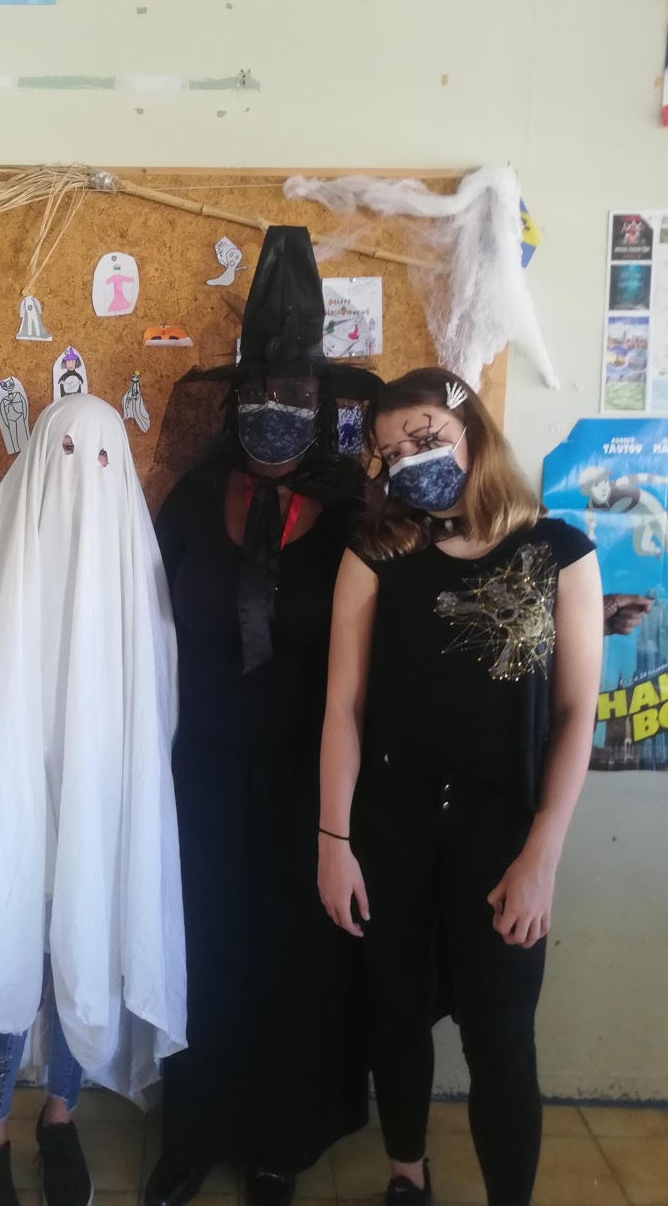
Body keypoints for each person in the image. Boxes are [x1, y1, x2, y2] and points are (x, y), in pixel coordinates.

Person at [318, 369, 603, 1206]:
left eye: (426, 436)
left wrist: (543, 856)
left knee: (502, 1039)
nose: (412, 459)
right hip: (392, 830)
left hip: (505, 837)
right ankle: (406, 1176)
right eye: (392, 452)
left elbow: (576, 715)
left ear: (471, 430)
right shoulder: (376, 555)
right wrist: (333, 841)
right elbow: (343, 707)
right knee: (396, 1017)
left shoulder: (561, 552)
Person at [0, 395, 187, 1206]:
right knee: (4, 956)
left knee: (77, 960)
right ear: (36, 459)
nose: (82, 478)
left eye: (101, 460)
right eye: (66, 455)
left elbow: (156, 703)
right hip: (5, 808)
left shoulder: (135, 570)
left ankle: (60, 1121)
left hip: (94, 809)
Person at [146, 227, 375, 1206]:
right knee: (202, 943)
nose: (276, 417)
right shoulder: (192, 503)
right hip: (198, 770)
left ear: (321, 406)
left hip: (308, 777)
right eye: (261, 398)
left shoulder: (357, 515)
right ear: (235, 401)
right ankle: (194, 1133)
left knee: (296, 956)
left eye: (295, 400)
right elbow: (139, 624)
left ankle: (283, 1140)